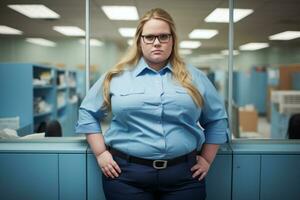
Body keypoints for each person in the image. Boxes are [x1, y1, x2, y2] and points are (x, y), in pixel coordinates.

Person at [76, 8, 229, 200]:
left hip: (184, 177)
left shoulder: (195, 78)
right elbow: (87, 112)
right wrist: (100, 154)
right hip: (125, 176)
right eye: (149, 37)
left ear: (173, 40)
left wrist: (206, 159)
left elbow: (217, 119)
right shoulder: (116, 76)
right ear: (140, 41)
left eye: (163, 36)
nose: (156, 43)